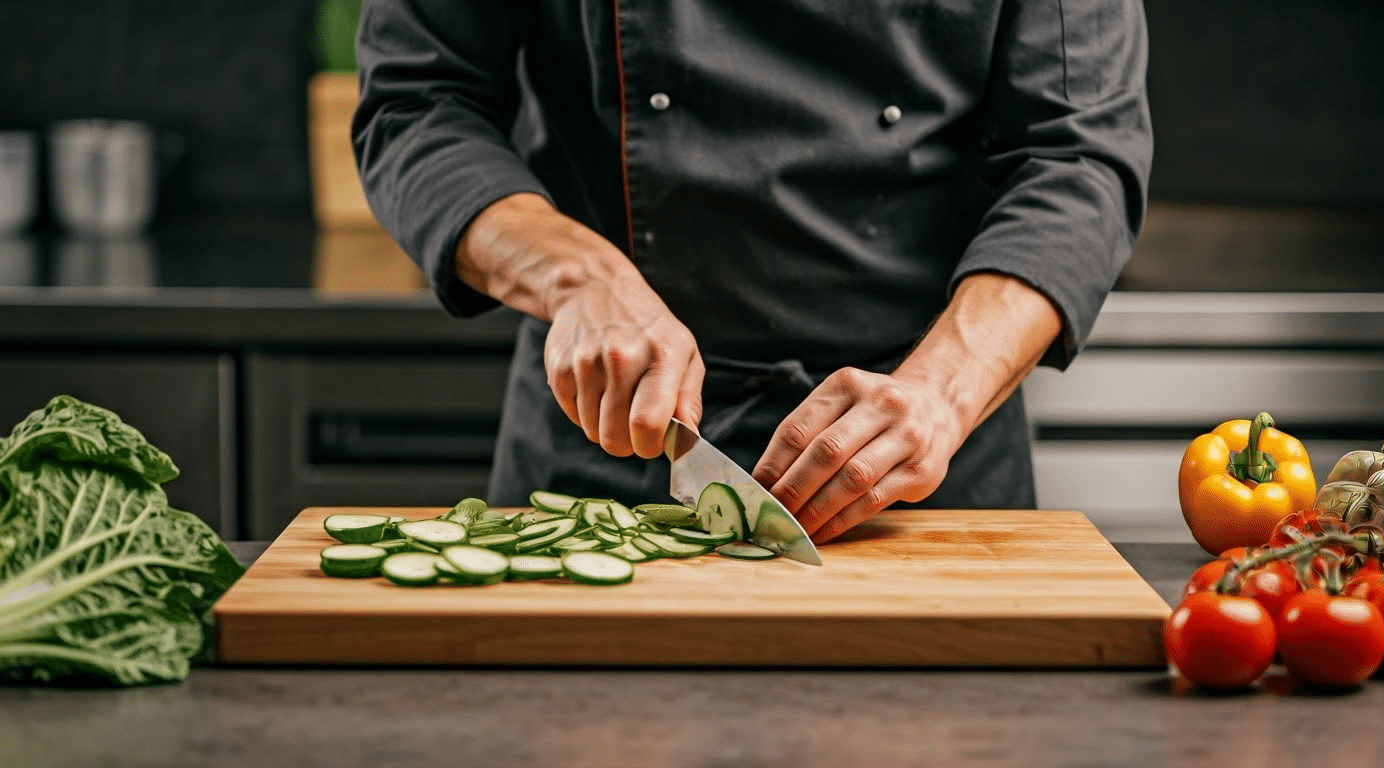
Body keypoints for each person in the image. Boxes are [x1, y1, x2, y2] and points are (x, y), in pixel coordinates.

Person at [352, 0, 1152, 544]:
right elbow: (419, 103)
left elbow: (1076, 154)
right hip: (610, 433)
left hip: (918, 458)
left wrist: (941, 391)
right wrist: (578, 279)